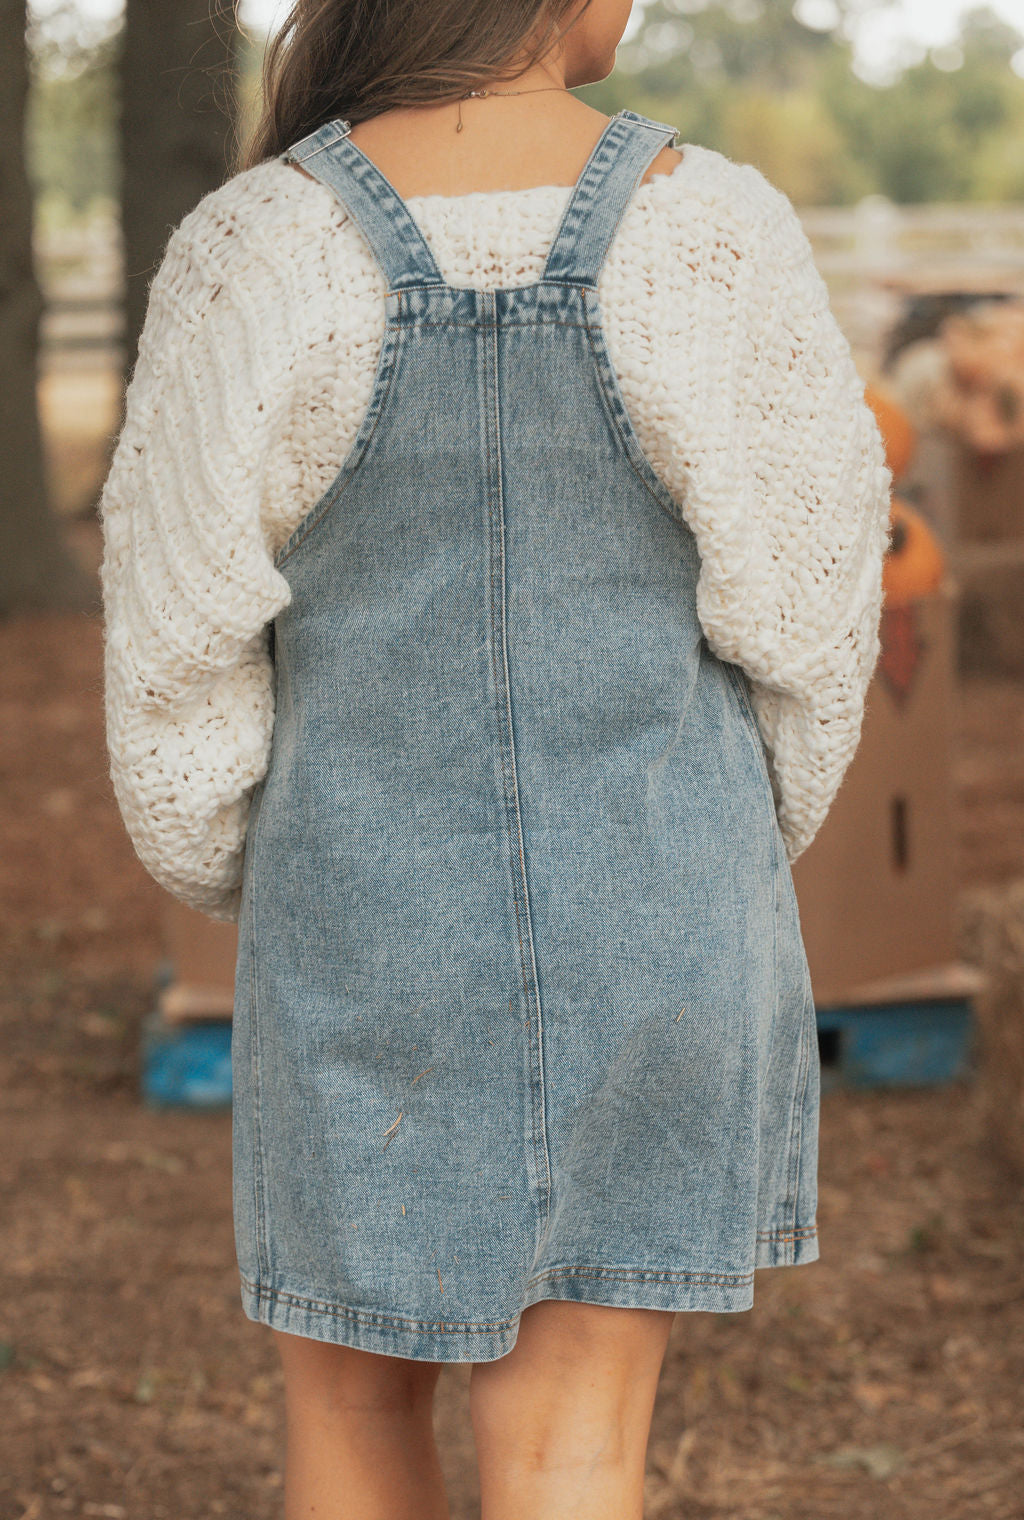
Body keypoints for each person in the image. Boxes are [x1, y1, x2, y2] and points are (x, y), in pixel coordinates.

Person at [98, 0, 893, 1515]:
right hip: (661, 910)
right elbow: (812, 617)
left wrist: (271, 877)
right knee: (579, 1440)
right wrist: (717, 849)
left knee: (347, 1405)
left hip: (361, 921)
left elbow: (174, 658)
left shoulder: (255, 241)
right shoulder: (715, 229)